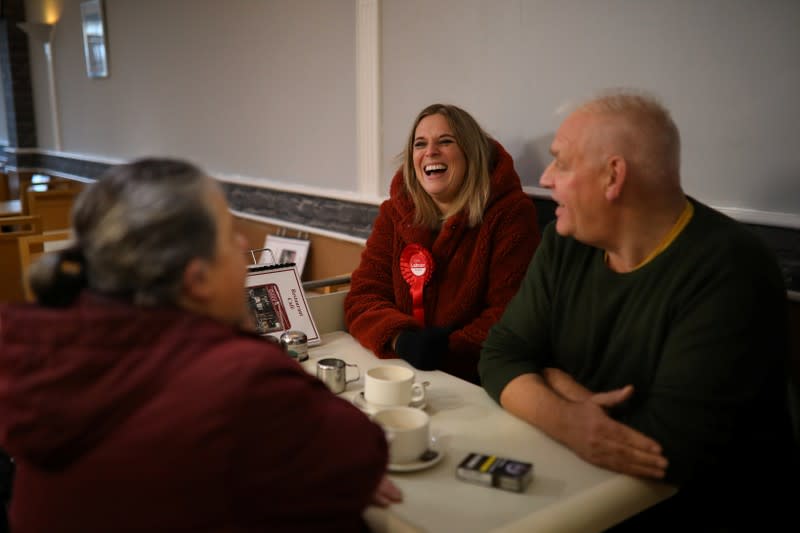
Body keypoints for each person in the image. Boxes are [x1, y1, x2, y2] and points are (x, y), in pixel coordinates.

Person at [0, 158, 401, 532]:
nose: (243, 244)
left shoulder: (47, 349)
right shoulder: (240, 379)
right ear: (197, 281)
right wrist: (240, 334)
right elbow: (361, 454)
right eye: (229, 235)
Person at [479, 90, 797, 530]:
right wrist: (567, 413)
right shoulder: (564, 240)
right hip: (590, 488)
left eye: (562, 163)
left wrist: (546, 376)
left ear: (614, 177)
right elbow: (499, 353)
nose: (547, 177)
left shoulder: (732, 267)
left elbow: (666, 446)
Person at [345, 103, 540, 384]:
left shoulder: (510, 213)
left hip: (477, 379)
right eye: (420, 144)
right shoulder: (394, 212)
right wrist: (402, 340)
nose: (430, 152)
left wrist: (446, 349)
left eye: (445, 141)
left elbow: (511, 312)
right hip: (403, 369)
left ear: (470, 153)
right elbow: (362, 297)